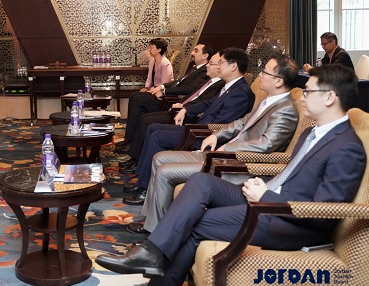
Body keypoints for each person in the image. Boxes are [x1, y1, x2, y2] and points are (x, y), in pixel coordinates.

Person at [96, 64, 365, 286]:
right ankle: (151, 253)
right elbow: (292, 173)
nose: (302, 97)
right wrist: (264, 188)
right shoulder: (312, 133)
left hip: (289, 222)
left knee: (193, 224)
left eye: (308, 91)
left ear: (330, 97)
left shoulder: (346, 147)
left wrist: (266, 197)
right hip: (270, 201)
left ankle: (153, 263)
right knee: (201, 182)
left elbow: (324, 213)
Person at [129, 53, 299, 234]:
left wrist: (228, 147)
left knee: (164, 170)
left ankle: (155, 229)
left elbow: (266, 145)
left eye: (265, 72)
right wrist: (217, 135)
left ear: (279, 81)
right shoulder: (268, 101)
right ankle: (152, 220)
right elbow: (241, 122)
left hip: (235, 164)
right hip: (221, 153)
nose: (260, 75)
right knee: (159, 158)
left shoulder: (286, 109)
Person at [123, 47, 255, 205]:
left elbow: (223, 125)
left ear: (233, 66)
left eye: (221, 62)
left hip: (204, 136)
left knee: (157, 135)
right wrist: (186, 110)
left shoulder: (240, 92)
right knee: (152, 128)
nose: (218, 66)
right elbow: (208, 103)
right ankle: (142, 182)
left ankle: (145, 189)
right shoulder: (231, 87)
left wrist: (197, 128)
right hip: (199, 128)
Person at [119, 51, 224, 172]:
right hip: (180, 108)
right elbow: (193, 95)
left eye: (211, 63)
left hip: (190, 118)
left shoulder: (218, 84)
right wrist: (180, 103)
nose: (207, 65)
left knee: (148, 122)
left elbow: (200, 99)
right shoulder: (204, 76)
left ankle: (137, 161)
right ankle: (134, 154)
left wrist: (183, 107)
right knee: (144, 116)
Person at [116, 43, 212, 154]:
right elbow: (178, 82)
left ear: (205, 56)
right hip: (169, 97)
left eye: (196, 51)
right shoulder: (194, 68)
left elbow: (189, 89)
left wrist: (164, 91)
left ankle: (132, 142)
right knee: (135, 96)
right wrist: (161, 87)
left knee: (138, 101)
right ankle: (131, 139)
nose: (192, 53)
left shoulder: (203, 72)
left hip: (172, 100)